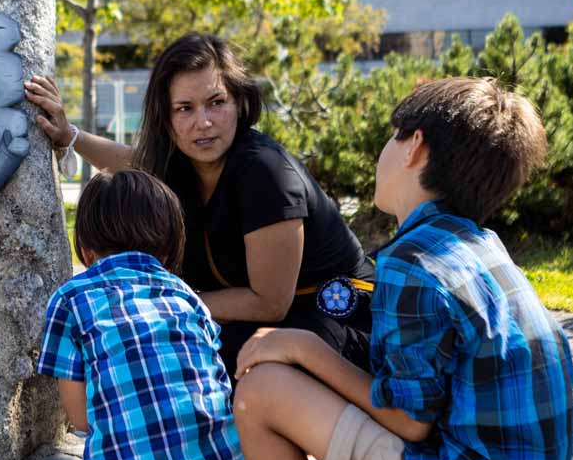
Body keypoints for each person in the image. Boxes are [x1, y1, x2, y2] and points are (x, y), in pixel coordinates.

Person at [230, 77, 573, 460]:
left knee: (261, 391)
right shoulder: (479, 246)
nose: (383, 150)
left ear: (415, 146)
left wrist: (303, 347)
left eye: (392, 136)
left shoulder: (414, 263)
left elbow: (410, 421)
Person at [26, 33, 375, 380]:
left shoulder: (265, 173)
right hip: (269, 329)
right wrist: (68, 135)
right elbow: (134, 163)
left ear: (239, 102)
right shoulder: (183, 162)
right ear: (166, 117)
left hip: (335, 327)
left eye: (216, 102)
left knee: (176, 358)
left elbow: (270, 302)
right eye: (185, 108)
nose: (203, 122)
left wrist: (164, 304)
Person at [0, 169, 249, 460]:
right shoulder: (187, 295)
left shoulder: (72, 298)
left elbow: (79, 418)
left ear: (87, 242)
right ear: (169, 241)